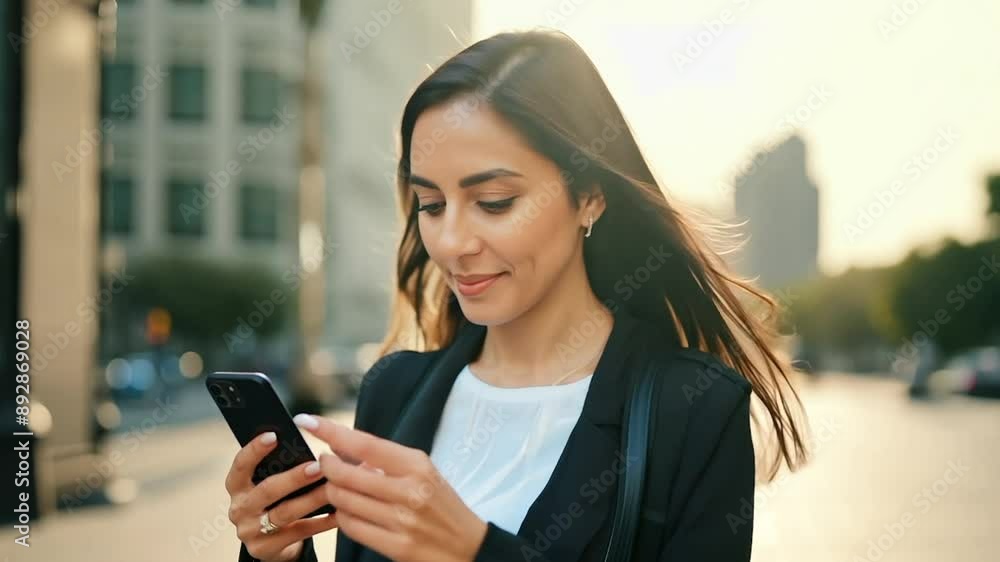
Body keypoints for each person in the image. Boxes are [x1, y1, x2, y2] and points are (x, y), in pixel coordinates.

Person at [224, 29, 810, 562]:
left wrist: (474, 551)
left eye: (494, 201)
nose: (451, 242)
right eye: (431, 205)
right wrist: (277, 552)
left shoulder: (695, 409)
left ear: (589, 198)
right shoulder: (394, 390)